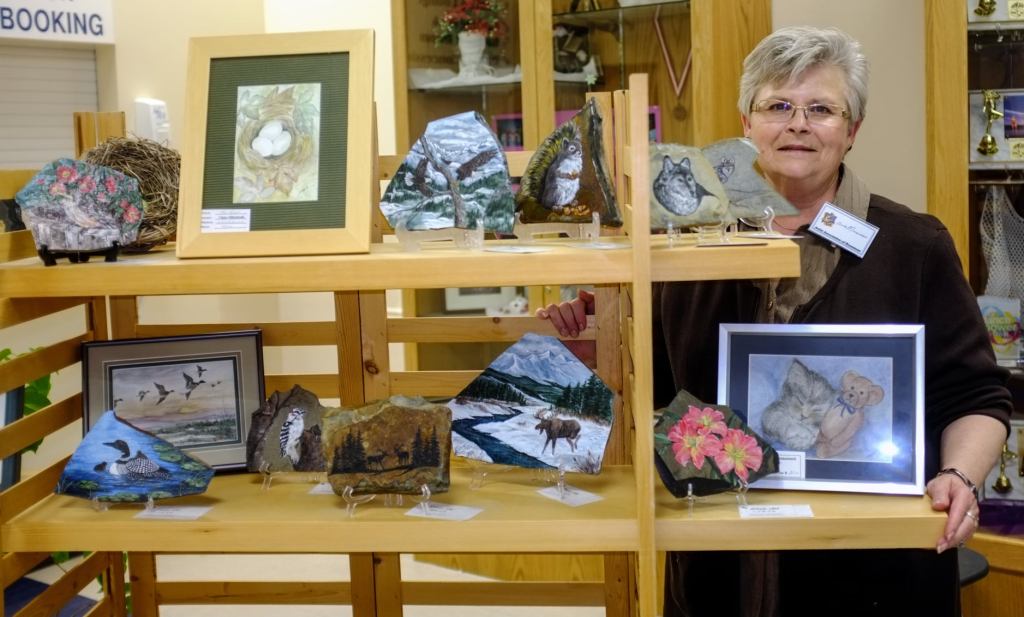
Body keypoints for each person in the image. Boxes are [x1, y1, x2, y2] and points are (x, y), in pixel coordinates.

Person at [538, 26, 1012, 617]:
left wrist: (960, 476)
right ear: (747, 122)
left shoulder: (914, 247)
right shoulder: (679, 249)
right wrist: (598, 348)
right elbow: (654, 392)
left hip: (875, 579)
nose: (798, 125)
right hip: (716, 574)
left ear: (853, 130)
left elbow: (976, 395)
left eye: (822, 109)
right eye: (778, 106)